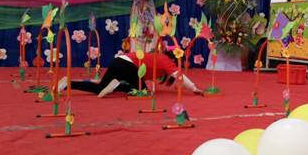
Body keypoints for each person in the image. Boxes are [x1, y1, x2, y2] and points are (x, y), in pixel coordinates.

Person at [61, 51, 203, 98]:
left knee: (99, 89)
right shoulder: (165, 60)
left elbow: (140, 77)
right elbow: (179, 75)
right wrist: (193, 88)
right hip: (128, 65)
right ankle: (117, 86)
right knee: (142, 92)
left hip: (118, 61)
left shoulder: (157, 61)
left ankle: (68, 84)